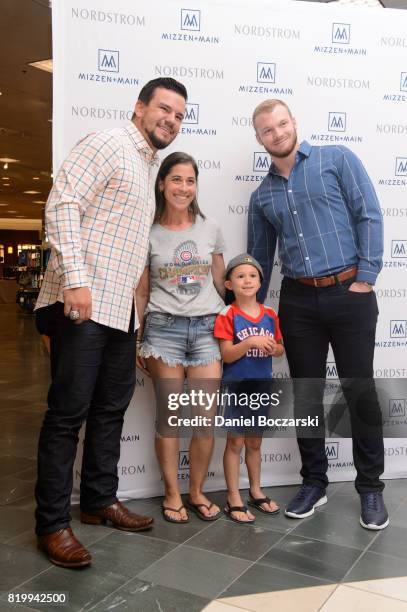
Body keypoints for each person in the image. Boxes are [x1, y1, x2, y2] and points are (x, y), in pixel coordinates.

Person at [34, 77, 188, 568]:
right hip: (81, 303)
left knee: (109, 412)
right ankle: (53, 524)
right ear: (140, 107)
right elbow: (62, 205)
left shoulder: (149, 167)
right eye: (164, 108)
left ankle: (100, 500)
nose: (171, 119)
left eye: (180, 115)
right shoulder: (107, 141)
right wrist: (76, 280)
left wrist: (139, 320)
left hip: (120, 312)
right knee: (66, 417)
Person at [247, 99, 388, 530]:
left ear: (294, 123)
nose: (277, 133)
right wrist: (252, 314)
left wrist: (366, 276)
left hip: (350, 291)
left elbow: (369, 214)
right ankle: (314, 481)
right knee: (306, 394)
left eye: (282, 123)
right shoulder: (262, 196)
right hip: (298, 301)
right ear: (259, 138)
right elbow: (257, 260)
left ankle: (370, 489)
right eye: (267, 130)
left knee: (357, 390)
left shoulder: (336, 158)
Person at [135, 151, 225, 523]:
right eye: (176, 180)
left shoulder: (210, 228)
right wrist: (139, 338)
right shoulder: (148, 231)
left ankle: (197, 491)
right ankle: (172, 494)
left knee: (204, 422)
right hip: (163, 332)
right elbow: (141, 291)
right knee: (169, 420)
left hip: (206, 331)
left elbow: (221, 284)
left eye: (190, 181)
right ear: (162, 183)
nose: (183, 188)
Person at [214, 254, 284, 523]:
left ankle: (255, 490)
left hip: (261, 387)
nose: (247, 280)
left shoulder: (269, 314)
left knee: (255, 442)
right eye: (240, 276)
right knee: (236, 442)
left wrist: (273, 347)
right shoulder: (227, 314)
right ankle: (234, 497)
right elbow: (227, 355)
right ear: (229, 284)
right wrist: (250, 342)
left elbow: (279, 348)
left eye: (252, 276)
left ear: (260, 282)